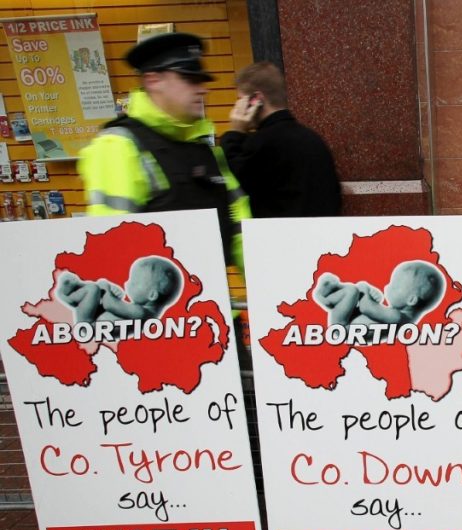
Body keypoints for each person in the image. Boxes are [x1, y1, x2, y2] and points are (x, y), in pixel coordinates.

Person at [78, 33, 250, 270]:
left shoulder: (203, 148)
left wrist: (268, 289)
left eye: (201, 81)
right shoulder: (119, 146)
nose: (203, 90)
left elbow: (241, 232)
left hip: (212, 301)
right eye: (190, 79)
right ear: (153, 80)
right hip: (161, 302)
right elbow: (112, 250)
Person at [221, 61, 341, 218]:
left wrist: (235, 133)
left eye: (240, 100)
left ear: (256, 100)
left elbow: (237, 179)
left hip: (280, 238)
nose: (237, 107)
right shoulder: (313, 139)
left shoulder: (263, 142)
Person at [315, 261, 444, 327]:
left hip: (342, 327)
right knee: (352, 292)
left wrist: (365, 289)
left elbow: (366, 307)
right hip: (350, 320)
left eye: (395, 286)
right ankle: (331, 291)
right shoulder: (398, 316)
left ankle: (325, 297)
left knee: (351, 291)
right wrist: (370, 294)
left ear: (411, 300)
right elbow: (369, 310)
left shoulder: (397, 318)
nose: (387, 286)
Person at [57, 256, 183, 324]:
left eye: (134, 282)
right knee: (95, 290)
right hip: (96, 318)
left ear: (152, 295)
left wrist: (105, 286)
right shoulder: (141, 310)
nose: (127, 283)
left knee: (93, 288)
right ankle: (74, 291)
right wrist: (110, 292)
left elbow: (109, 304)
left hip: (88, 324)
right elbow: (113, 306)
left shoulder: (141, 313)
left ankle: (66, 296)